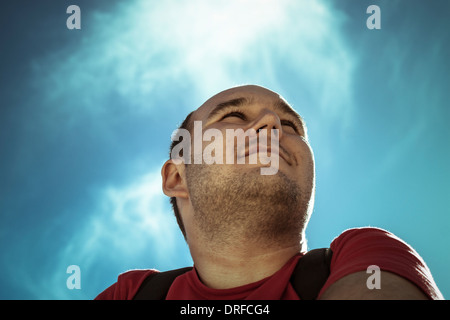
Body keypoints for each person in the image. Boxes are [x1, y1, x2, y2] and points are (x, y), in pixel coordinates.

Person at [95, 85, 443, 300]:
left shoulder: (368, 256)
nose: (271, 125)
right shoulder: (133, 294)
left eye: (290, 126)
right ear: (176, 177)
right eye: (232, 117)